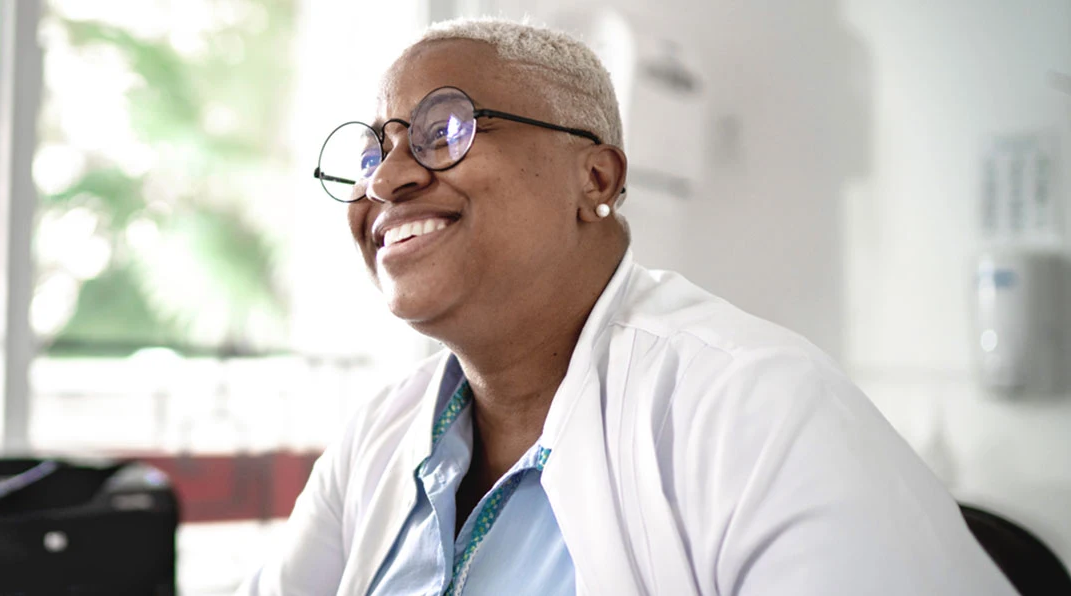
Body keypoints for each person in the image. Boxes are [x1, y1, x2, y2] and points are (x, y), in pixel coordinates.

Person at [241, 17, 1015, 596]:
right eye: (373, 152)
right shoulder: (375, 444)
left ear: (597, 179)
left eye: (445, 131)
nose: (385, 181)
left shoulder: (754, 408)